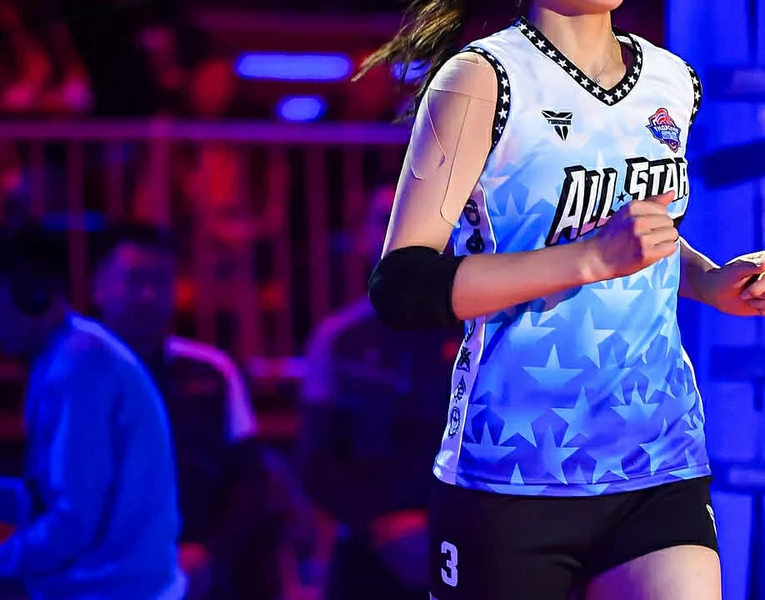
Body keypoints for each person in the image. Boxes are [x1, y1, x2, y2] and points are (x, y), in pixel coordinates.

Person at [362, 0, 765, 600]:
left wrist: (709, 280)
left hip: (657, 463)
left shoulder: (672, 81)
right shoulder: (481, 79)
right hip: (511, 475)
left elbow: (643, 235)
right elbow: (403, 286)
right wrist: (588, 259)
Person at [91, 222, 280, 600]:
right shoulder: (70, 373)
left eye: (160, 282)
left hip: (196, 572)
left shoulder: (212, 371)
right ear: (99, 287)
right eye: (134, 280)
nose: (147, 295)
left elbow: (250, 481)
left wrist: (210, 554)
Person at [0, 223, 185, 600]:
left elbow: (73, 523)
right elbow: (50, 501)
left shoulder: (79, 365)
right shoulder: (65, 356)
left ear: (33, 294)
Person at [300, 179, 458, 600]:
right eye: (386, 220)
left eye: (419, 218)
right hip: (368, 551)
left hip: (467, 546)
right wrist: (379, 526)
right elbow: (316, 461)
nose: (402, 233)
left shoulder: (484, 332)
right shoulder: (338, 340)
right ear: (364, 236)